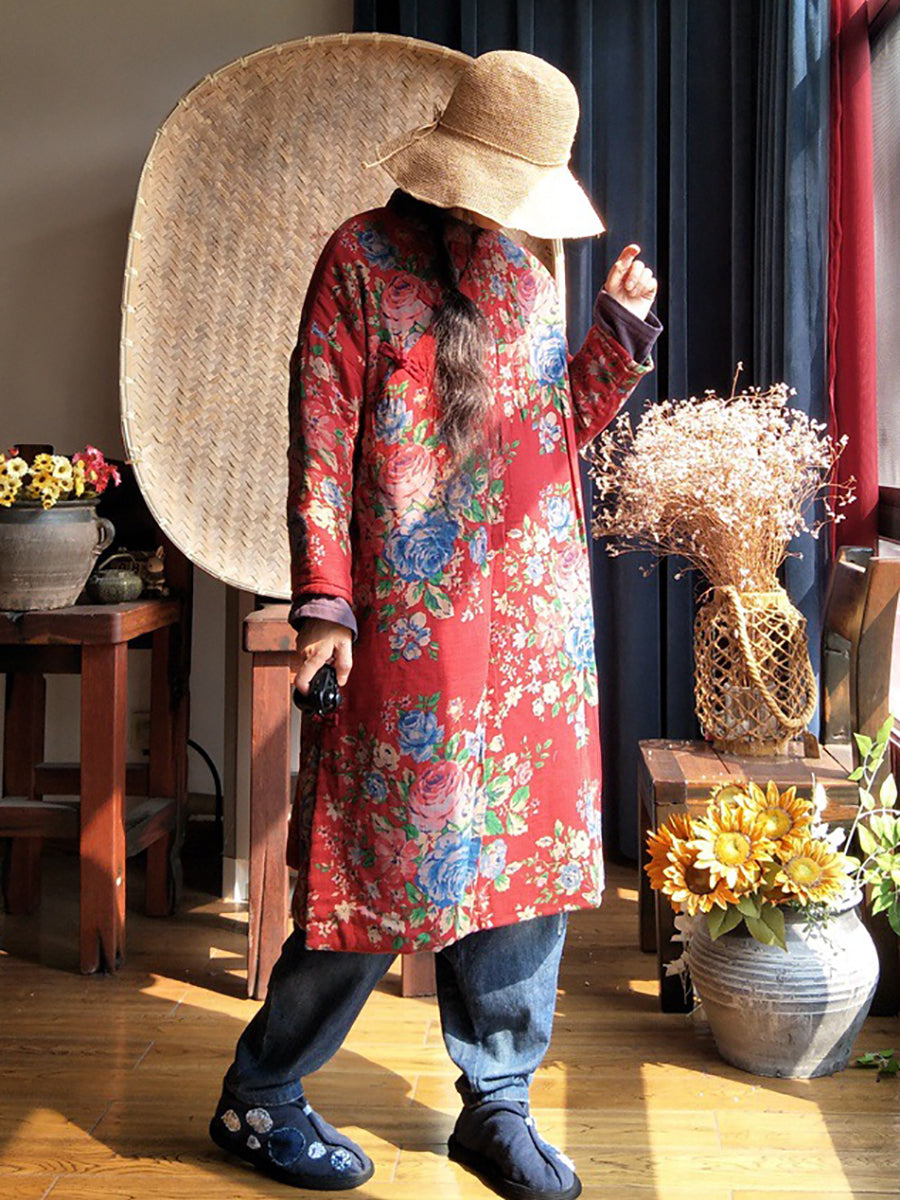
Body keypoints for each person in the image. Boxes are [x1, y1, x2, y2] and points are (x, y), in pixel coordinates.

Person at [209, 48, 660, 1200]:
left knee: (524, 873)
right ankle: (262, 1093)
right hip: (413, 629)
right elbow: (320, 439)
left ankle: (496, 1108)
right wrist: (325, 604)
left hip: (536, 629)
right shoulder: (359, 260)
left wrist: (617, 336)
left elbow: (548, 439)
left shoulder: (525, 279)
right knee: (378, 866)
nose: (508, 214)